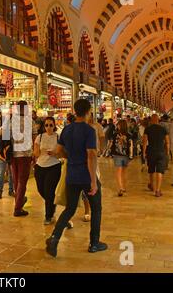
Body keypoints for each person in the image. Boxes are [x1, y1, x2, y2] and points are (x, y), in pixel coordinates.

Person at [46, 99, 106, 258]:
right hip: (86, 175)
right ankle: (94, 243)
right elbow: (91, 155)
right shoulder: (88, 130)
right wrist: (93, 181)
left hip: (72, 174)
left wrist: (70, 157)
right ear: (88, 112)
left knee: (70, 209)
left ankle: (54, 238)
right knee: (96, 208)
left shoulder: (66, 130)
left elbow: (59, 151)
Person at [33, 117, 61, 225]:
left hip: (54, 166)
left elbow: (61, 152)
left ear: (54, 126)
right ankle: (52, 204)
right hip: (40, 166)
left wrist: (55, 153)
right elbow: (35, 153)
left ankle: (48, 216)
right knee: (41, 190)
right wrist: (40, 151)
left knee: (49, 190)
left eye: (51, 125)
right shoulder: (39, 138)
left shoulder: (58, 137)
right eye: (46, 125)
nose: (48, 127)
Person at [9, 100, 32, 217]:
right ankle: (18, 208)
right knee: (22, 182)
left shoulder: (11, 121)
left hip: (13, 155)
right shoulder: (28, 121)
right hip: (24, 155)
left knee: (16, 181)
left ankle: (19, 201)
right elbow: (33, 137)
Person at [143, 114, 170, 197]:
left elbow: (144, 142)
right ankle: (157, 190)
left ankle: (152, 185)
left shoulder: (147, 129)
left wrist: (144, 152)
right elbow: (167, 142)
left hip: (151, 152)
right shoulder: (163, 129)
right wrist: (167, 152)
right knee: (159, 171)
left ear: (151, 120)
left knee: (151, 170)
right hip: (161, 152)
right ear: (158, 120)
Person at [109, 120, 133, 197]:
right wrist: (131, 156)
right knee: (124, 172)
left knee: (118, 172)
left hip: (117, 155)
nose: (117, 126)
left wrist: (109, 152)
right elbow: (131, 146)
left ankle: (120, 188)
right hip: (126, 155)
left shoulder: (115, 134)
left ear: (120, 126)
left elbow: (111, 144)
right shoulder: (129, 135)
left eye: (118, 125)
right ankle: (124, 187)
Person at [0, 119, 14, 199]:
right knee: (2, 173)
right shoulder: (2, 130)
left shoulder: (11, 130)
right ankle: (0, 191)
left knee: (9, 174)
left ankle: (9, 190)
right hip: (3, 156)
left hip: (8, 155)